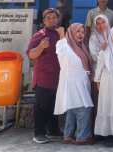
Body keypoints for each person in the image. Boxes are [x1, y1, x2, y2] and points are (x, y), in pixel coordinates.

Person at [26, 8, 64, 144]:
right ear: (44, 21)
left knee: (54, 106)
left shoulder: (61, 33)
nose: (52, 20)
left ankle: (53, 130)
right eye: (48, 18)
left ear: (58, 19)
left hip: (58, 77)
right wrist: (41, 47)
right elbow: (30, 54)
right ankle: (39, 133)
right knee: (42, 106)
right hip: (43, 77)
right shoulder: (40, 35)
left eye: (54, 17)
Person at [55, 23, 95, 146]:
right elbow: (61, 51)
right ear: (71, 32)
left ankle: (68, 135)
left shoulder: (80, 46)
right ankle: (83, 137)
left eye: (83, 32)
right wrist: (61, 36)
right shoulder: (65, 44)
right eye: (78, 31)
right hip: (73, 81)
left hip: (80, 80)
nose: (81, 34)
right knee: (84, 108)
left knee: (72, 109)